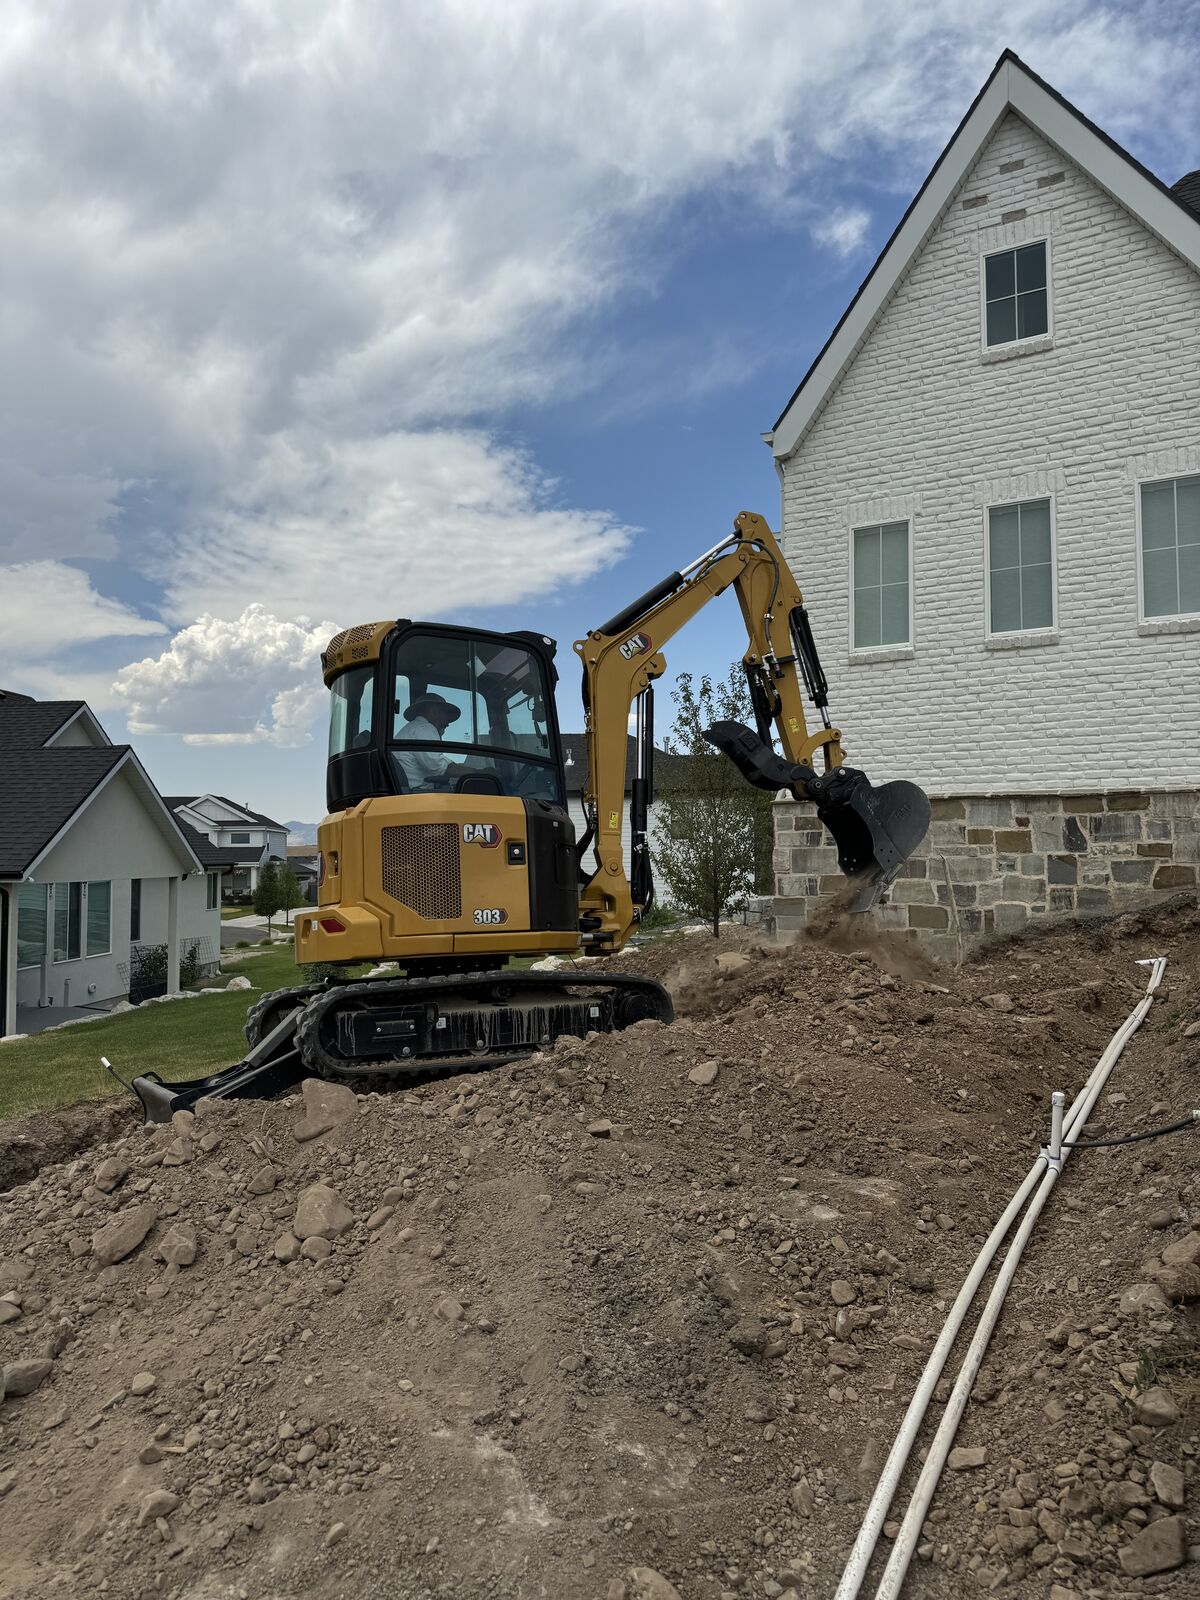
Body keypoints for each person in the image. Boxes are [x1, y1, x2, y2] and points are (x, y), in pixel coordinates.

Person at [393, 692, 465, 791]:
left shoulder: (414, 728)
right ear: (434, 711)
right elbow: (439, 767)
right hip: (415, 793)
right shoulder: (424, 728)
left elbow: (438, 762)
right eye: (445, 714)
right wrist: (477, 772)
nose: (447, 723)